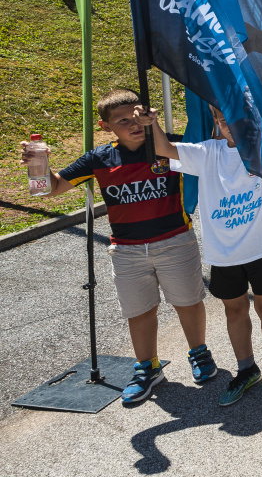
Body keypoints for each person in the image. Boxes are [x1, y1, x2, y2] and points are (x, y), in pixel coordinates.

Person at [19, 89, 213, 406]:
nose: (133, 124)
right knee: (139, 311)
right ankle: (148, 367)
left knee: (188, 302)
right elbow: (50, 189)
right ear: (105, 126)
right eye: (122, 121)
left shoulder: (169, 146)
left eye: (137, 116)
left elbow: (214, 155)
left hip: (175, 241)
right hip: (127, 250)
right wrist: (38, 165)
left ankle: (199, 353)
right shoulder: (98, 159)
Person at [147, 106, 262, 406]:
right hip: (225, 252)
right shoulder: (207, 152)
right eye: (225, 121)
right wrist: (152, 122)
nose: (232, 126)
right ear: (216, 121)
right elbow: (164, 148)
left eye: (239, 120)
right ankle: (246, 369)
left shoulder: (261, 146)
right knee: (234, 311)